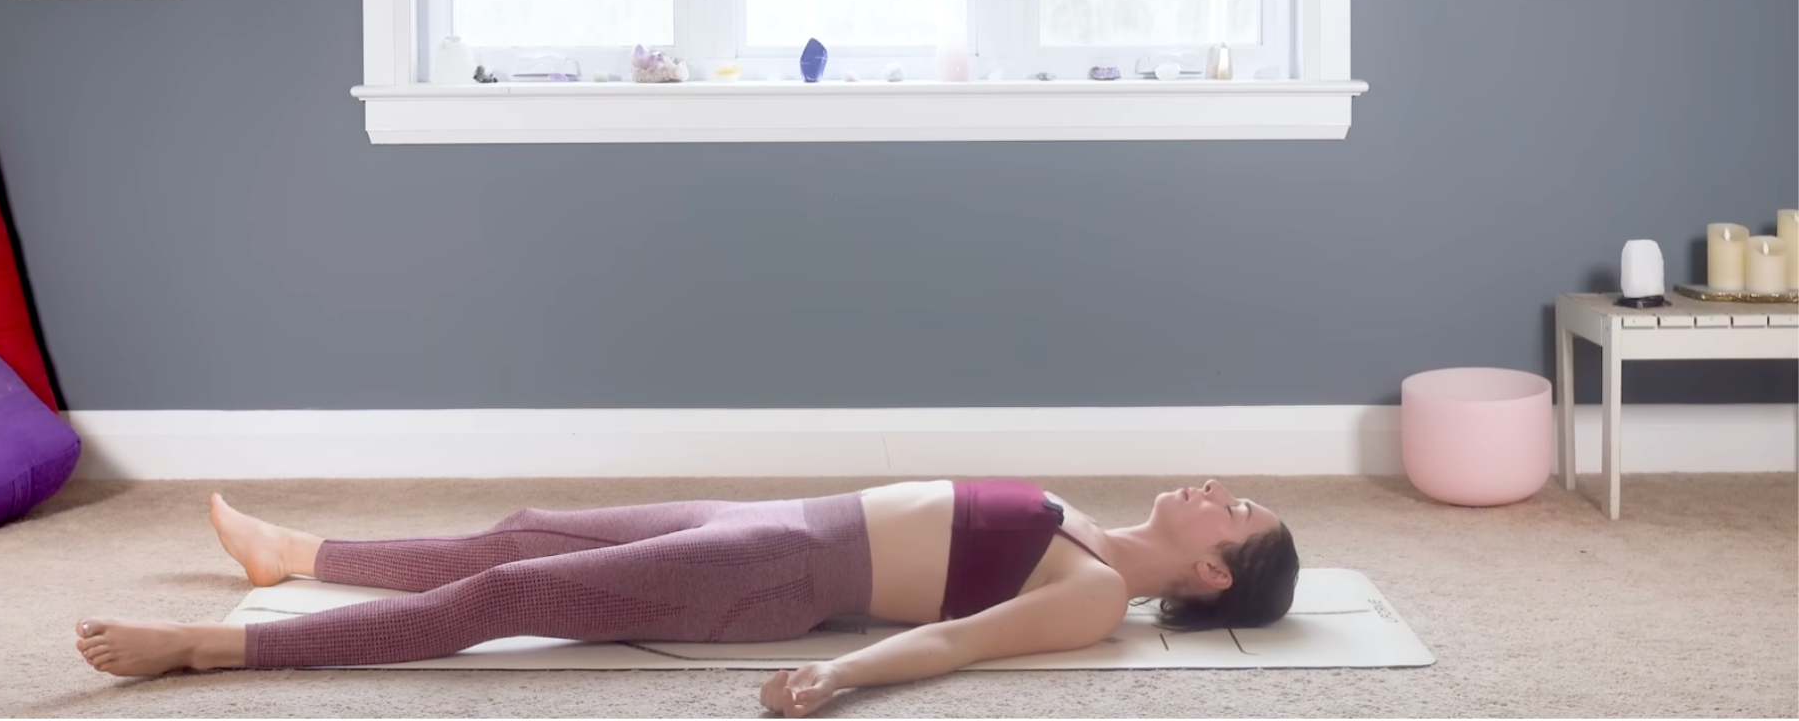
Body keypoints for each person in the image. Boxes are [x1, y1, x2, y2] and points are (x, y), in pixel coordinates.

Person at [75, 478, 1296, 718]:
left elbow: (954, 643)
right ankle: (294, 554)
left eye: (1238, 519)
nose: (1223, 493)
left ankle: (214, 654)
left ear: (1209, 576)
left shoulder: (1088, 595)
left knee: (504, 592)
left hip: (768, 580)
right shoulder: (1083, 519)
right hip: (768, 525)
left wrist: (835, 677)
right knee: (524, 532)